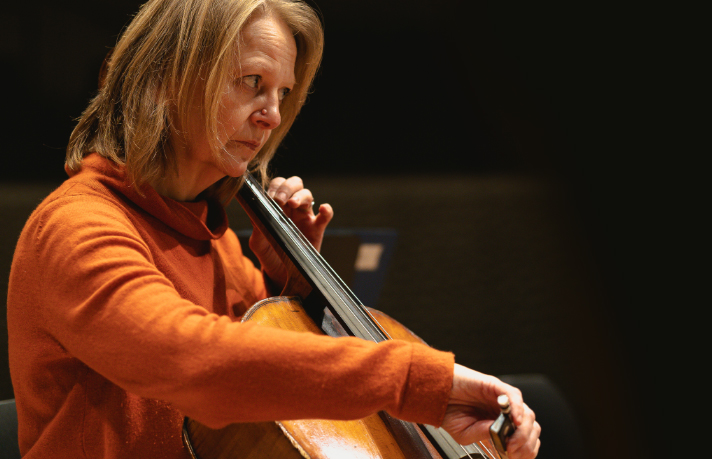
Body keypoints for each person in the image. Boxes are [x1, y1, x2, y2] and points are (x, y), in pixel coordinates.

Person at [5, 0, 541, 458]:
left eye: (283, 93)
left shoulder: (215, 241)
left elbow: (269, 412)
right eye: (252, 84)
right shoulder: (77, 229)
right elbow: (199, 365)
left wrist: (293, 292)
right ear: (167, 79)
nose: (272, 115)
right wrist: (419, 383)